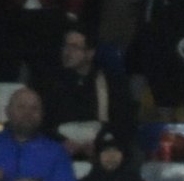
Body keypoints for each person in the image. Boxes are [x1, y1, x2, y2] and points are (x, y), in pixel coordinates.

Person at [36, 26, 137, 158]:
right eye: (65, 46)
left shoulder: (111, 82)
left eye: (74, 47)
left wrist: (99, 142)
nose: (67, 52)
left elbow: (124, 122)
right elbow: (41, 121)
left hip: (101, 151)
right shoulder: (50, 82)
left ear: (90, 53)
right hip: (59, 150)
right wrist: (61, 141)